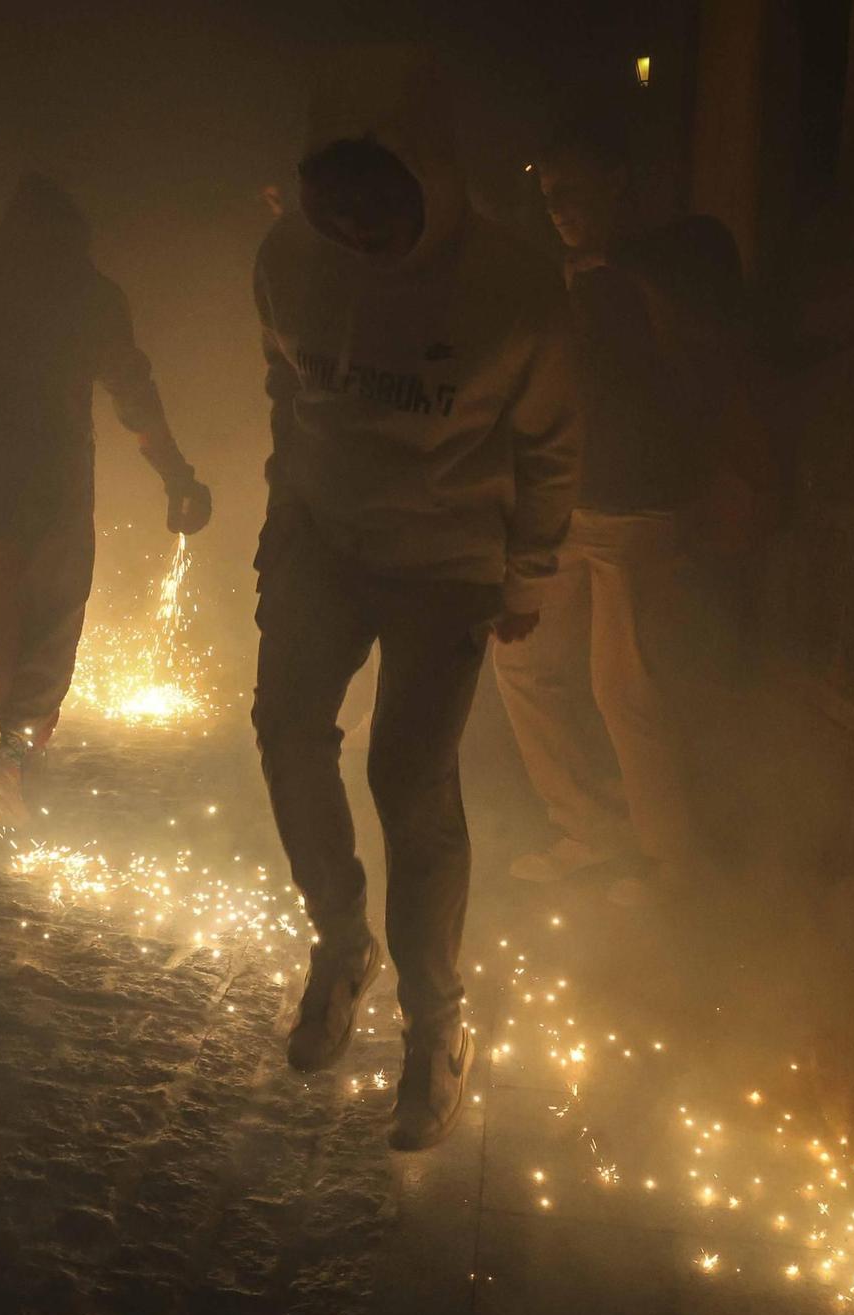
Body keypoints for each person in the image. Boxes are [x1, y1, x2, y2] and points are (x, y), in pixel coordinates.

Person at [251, 50, 581, 1151]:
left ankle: (434, 1027)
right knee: (285, 733)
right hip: (322, 540)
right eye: (327, 203)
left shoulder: (514, 288)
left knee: (407, 775)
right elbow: (284, 394)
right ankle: (342, 944)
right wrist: (277, 521)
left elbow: (548, 441)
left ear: (426, 176)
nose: (349, 229)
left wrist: (527, 569)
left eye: (371, 205)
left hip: (446, 560)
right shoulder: (286, 261)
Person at [0, 175, 212, 807]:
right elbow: (136, 400)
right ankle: (16, 760)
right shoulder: (91, 296)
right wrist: (176, 477)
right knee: (49, 630)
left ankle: (13, 761)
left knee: (8, 635)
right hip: (55, 483)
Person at [492, 114, 761, 905]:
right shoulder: (570, 276)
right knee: (521, 659)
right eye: (548, 194)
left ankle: (672, 864)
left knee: (626, 684)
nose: (558, 206)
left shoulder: (685, 254)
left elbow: (708, 349)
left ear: (621, 180)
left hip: (641, 503)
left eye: (573, 189)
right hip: (571, 504)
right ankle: (588, 826)